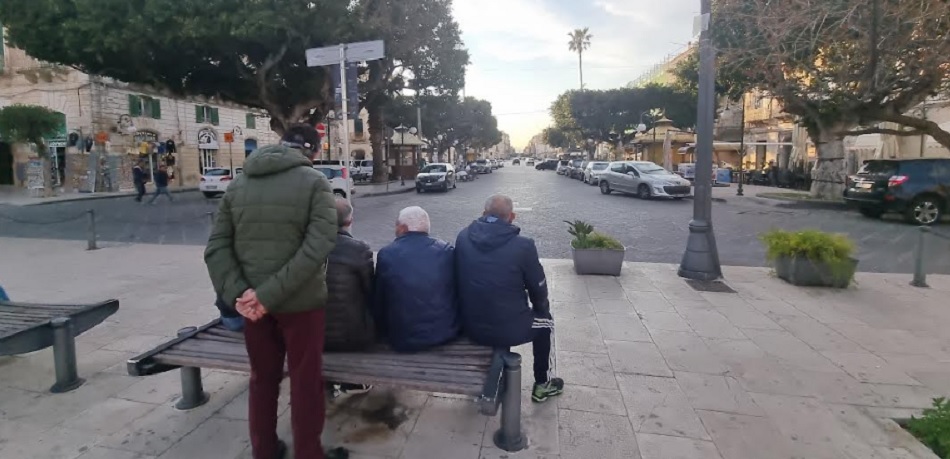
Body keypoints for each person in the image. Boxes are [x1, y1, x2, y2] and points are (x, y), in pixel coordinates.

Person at [205, 124, 342, 459]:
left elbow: (216, 248)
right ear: (312, 150)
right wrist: (267, 295)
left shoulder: (237, 185)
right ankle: (309, 453)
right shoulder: (315, 183)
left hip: (252, 307)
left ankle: (264, 450)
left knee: (262, 379)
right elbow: (319, 245)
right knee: (305, 382)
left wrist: (245, 295)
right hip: (301, 305)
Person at [454, 194, 564, 403]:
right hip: (507, 328)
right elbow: (538, 289)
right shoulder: (523, 246)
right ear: (512, 216)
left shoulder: (462, 237)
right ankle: (542, 384)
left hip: (469, 326)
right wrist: (541, 309)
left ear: (483, 214)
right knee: (546, 323)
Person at [374, 206, 459, 352]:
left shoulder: (387, 254)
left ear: (402, 228)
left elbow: (379, 299)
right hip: (445, 333)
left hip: (403, 337)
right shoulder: (446, 251)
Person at [325, 197, 375, 397]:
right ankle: (352, 382)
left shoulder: (306, 248)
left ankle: (327, 383)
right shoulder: (359, 250)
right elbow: (370, 291)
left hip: (312, 334)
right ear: (350, 222)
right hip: (353, 337)